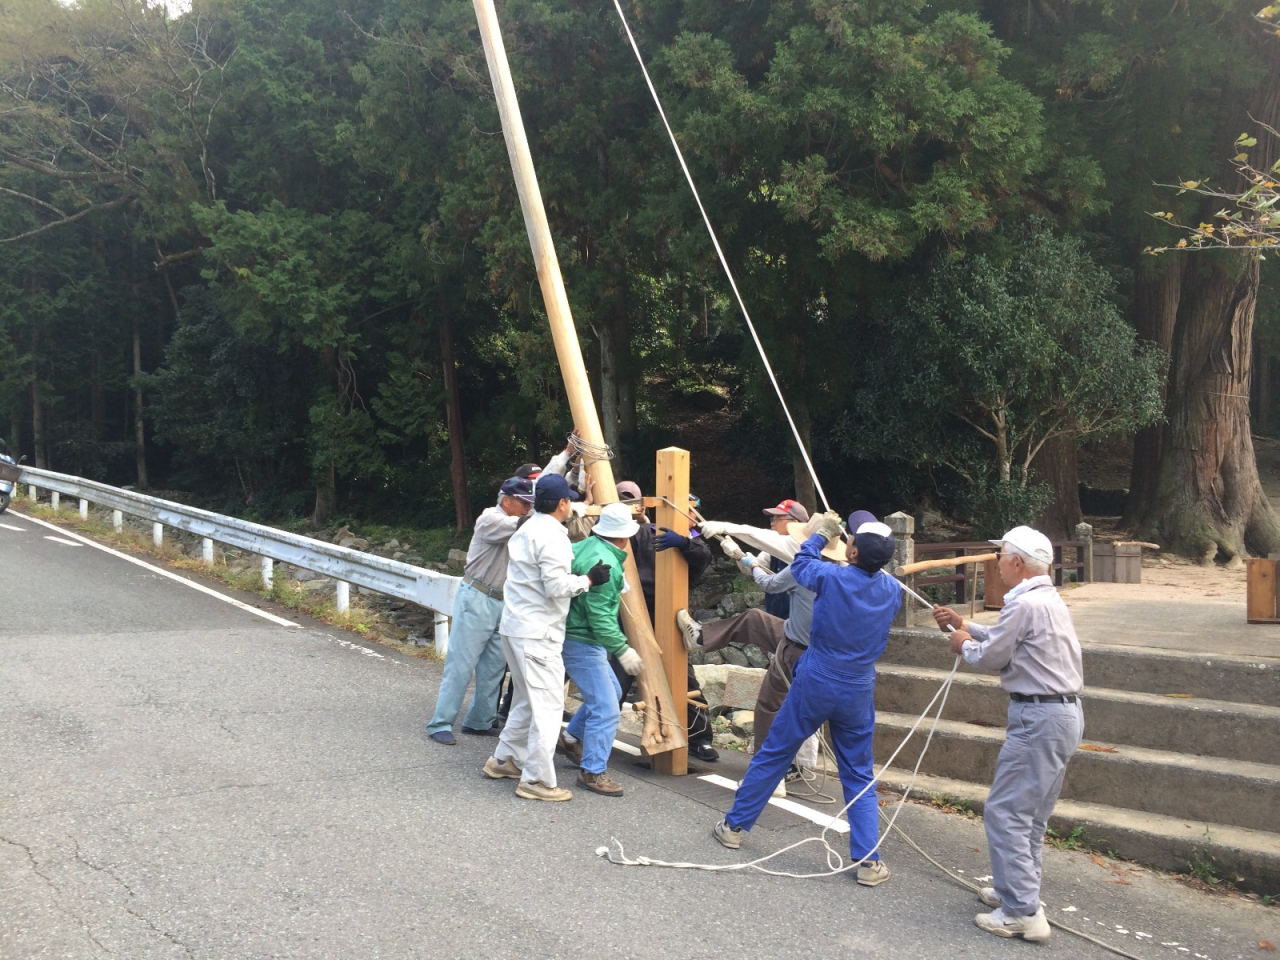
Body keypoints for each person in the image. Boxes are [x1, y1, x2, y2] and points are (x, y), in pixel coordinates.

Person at [712, 512, 902, 890]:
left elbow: (801, 563)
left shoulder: (830, 577)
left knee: (776, 751)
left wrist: (818, 536)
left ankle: (734, 827)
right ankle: (868, 860)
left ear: (851, 552)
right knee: (859, 773)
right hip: (859, 686)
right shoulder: (892, 591)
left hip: (817, 678)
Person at [932, 525, 1084, 943]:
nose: (996, 562)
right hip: (1061, 716)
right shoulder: (1044, 599)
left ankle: (1021, 911)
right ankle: (1017, 893)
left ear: (1017, 562)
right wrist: (966, 625)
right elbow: (1008, 639)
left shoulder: (1024, 605)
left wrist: (962, 642)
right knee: (1030, 816)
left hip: (1039, 719)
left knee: (1007, 812)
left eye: (1000, 556)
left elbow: (992, 655)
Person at [483, 473, 611, 802]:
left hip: (515, 626)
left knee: (527, 699)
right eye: (569, 500)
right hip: (538, 633)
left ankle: (505, 759)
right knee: (550, 707)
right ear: (562, 504)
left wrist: (586, 504)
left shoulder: (528, 526)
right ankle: (536, 779)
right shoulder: (554, 538)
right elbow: (556, 586)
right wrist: (589, 580)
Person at [610, 481, 719, 761]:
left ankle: (700, 738)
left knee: (683, 677)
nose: (692, 518)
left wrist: (683, 543)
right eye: (687, 512)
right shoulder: (644, 532)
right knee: (618, 676)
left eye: (693, 513)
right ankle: (595, 733)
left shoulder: (690, 540)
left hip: (670, 616)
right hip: (633, 612)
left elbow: (702, 558)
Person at [426, 477, 535, 746]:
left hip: (502, 600)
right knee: (461, 664)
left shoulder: (518, 517)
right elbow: (522, 524)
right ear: (506, 500)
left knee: (494, 667)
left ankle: (480, 721)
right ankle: (440, 722)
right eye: (523, 502)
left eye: (530, 503)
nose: (527, 508)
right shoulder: (491, 518)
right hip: (477, 596)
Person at [558, 502, 645, 796]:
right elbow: (600, 617)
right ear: (624, 537)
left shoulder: (587, 546)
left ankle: (570, 738)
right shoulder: (606, 561)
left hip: (571, 632)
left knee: (612, 692)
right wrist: (622, 649)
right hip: (583, 640)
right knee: (607, 708)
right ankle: (593, 772)